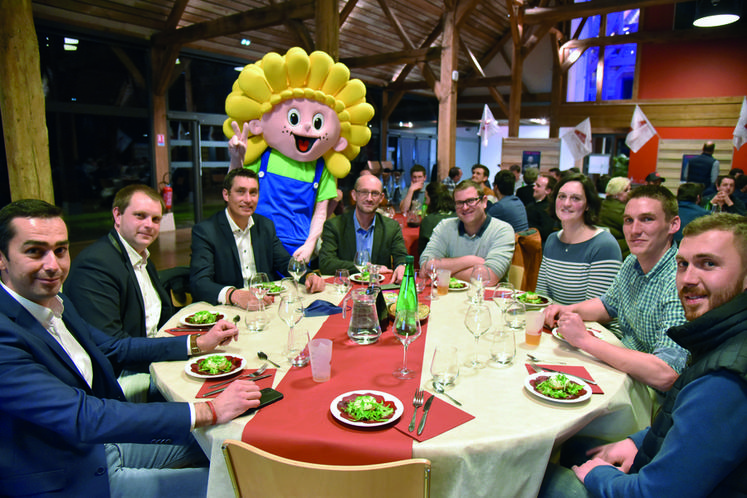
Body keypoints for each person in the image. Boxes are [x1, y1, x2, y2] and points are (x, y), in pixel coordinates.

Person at [0, 199, 262, 497]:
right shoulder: (5, 332)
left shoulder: (56, 302)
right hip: (71, 475)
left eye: (60, 250)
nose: (52, 265)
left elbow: (114, 347)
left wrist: (197, 343)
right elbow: (83, 416)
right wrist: (209, 410)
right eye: (34, 251)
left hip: (104, 445)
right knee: (239, 485)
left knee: (230, 446)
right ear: (2, 258)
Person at [539, 213, 747, 497]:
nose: (687, 279)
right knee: (575, 446)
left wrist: (598, 475)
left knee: (526, 474)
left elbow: (656, 493)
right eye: (683, 264)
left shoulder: (724, 379)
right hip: (666, 468)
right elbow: (685, 429)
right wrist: (638, 442)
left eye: (708, 264)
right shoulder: (721, 336)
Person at [544, 186, 688, 392]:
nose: (634, 230)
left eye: (647, 219)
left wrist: (584, 340)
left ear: (673, 224)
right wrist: (567, 309)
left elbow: (666, 374)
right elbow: (608, 305)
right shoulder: (632, 261)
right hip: (621, 369)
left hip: (648, 392)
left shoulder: (679, 279)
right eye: (629, 220)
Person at [64, 185, 174, 401]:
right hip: (120, 376)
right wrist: (188, 347)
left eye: (155, 219)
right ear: (117, 215)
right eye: (140, 216)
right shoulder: (96, 264)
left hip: (148, 356)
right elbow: (113, 349)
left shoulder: (141, 256)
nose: (148, 225)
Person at [190, 168, 325, 308]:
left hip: (265, 305)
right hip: (228, 309)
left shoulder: (265, 226)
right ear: (226, 194)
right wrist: (234, 295)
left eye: (253, 192)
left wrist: (308, 276)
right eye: (240, 192)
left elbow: (285, 262)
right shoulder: (206, 231)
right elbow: (199, 282)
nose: (248, 199)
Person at [536, 174, 622, 305]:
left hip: (589, 324)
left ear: (588, 205)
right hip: (555, 321)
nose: (566, 203)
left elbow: (597, 308)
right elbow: (541, 295)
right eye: (562, 196)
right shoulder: (552, 240)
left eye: (575, 198)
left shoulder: (604, 245)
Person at [419, 180, 514, 286]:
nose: (465, 207)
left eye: (471, 201)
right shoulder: (445, 226)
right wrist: (471, 260)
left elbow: (488, 278)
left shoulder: (502, 230)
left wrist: (443, 272)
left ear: (484, 202)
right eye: (459, 202)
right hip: (449, 297)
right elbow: (426, 268)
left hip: (487, 299)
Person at [319, 175, 408, 282]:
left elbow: (401, 257)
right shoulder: (334, 226)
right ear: (354, 195)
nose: (369, 198)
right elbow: (326, 264)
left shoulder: (391, 227)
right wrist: (368, 268)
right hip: (345, 287)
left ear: (381, 198)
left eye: (374, 193)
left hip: (379, 288)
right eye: (364, 192)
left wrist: (401, 266)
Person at [598, 177, 632, 258]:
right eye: (626, 190)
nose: (630, 193)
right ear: (616, 193)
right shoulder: (624, 211)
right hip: (620, 251)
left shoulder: (599, 206)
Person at [419, 182, 456, 254]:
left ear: (432, 200)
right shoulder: (458, 216)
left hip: (435, 261)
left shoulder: (429, 221)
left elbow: (422, 251)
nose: (426, 202)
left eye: (426, 198)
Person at [526, 174, 558, 244]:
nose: (534, 188)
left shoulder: (547, 209)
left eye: (538, 186)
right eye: (535, 185)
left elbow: (545, 232)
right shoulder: (533, 205)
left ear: (548, 191)